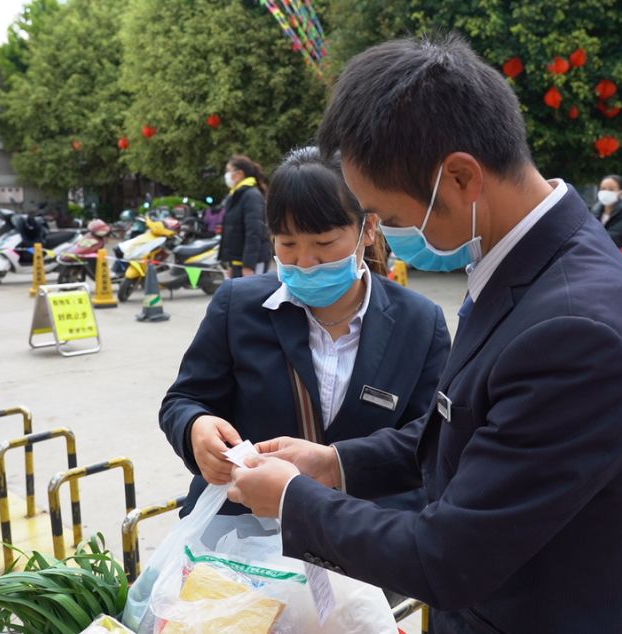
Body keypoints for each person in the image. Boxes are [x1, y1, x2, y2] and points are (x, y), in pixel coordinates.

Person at [228, 34, 622, 633]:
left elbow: (449, 558)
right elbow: (465, 428)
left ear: (462, 177)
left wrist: (294, 501)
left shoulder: (578, 332)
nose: (388, 237)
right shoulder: (524, 263)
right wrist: (335, 463)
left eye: (391, 217)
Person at [160, 146, 451, 517]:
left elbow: (432, 438)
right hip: (244, 528)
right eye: (288, 244)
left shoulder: (419, 323)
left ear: (368, 228)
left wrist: (337, 465)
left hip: (362, 531)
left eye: (324, 243)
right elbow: (184, 399)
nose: (305, 261)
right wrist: (195, 428)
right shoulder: (237, 306)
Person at [220, 155, 272, 277]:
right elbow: (232, 232)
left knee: (253, 289)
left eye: (229, 171)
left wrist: (249, 266)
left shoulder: (251, 196)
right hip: (237, 262)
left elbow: (254, 233)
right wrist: (230, 264)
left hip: (252, 262)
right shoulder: (235, 196)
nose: (227, 175)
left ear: (239, 174)